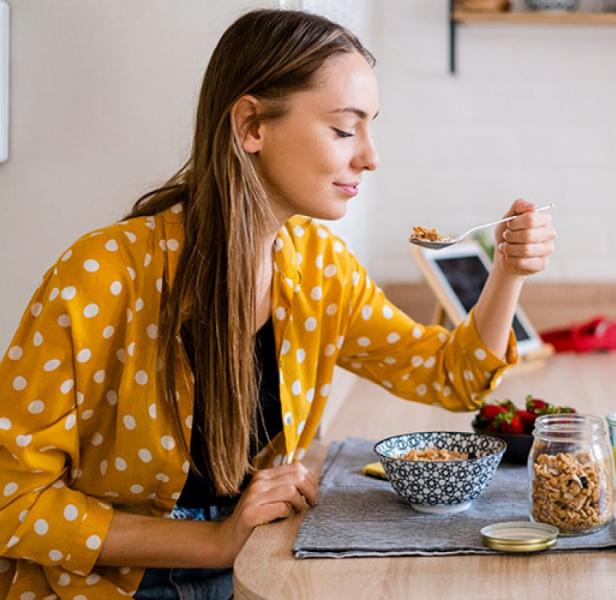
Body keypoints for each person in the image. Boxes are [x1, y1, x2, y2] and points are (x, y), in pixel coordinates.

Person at [0, 8, 556, 599]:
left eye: (369, 128)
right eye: (344, 129)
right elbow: (13, 501)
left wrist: (508, 272)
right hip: (105, 585)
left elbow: (451, 375)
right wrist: (214, 541)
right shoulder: (102, 273)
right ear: (251, 126)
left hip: (254, 566)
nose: (370, 157)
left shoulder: (320, 268)